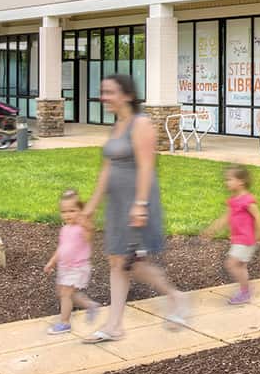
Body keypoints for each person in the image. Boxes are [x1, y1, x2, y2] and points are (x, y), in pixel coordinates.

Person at [79, 74, 188, 343]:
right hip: (117, 205)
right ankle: (114, 326)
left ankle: (175, 297)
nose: (104, 97)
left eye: (110, 92)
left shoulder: (141, 124)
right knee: (118, 261)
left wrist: (140, 205)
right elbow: (107, 168)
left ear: (127, 94)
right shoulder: (117, 125)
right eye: (103, 92)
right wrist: (91, 207)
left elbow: (147, 167)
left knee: (130, 263)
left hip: (136, 202)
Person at [201, 165, 260, 305]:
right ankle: (245, 290)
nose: (227, 183)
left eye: (230, 179)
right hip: (239, 239)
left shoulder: (247, 200)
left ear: (241, 181)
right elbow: (226, 218)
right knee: (240, 266)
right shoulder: (233, 201)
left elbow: (258, 218)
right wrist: (212, 230)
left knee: (231, 264)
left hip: (246, 239)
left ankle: (246, 291)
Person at [43, 189, 100, 334]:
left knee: (66, 294)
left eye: (72, 211)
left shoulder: (82, 229)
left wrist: (86, 223)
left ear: (80, 211)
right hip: (65, 267)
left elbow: (89, 234)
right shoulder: (65, 229)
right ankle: (89, 305)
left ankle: (64, 323)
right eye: (64, 211)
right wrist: (52, 261)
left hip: (78, 267)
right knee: (65, 293)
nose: (67, 214)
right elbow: (61, 248)